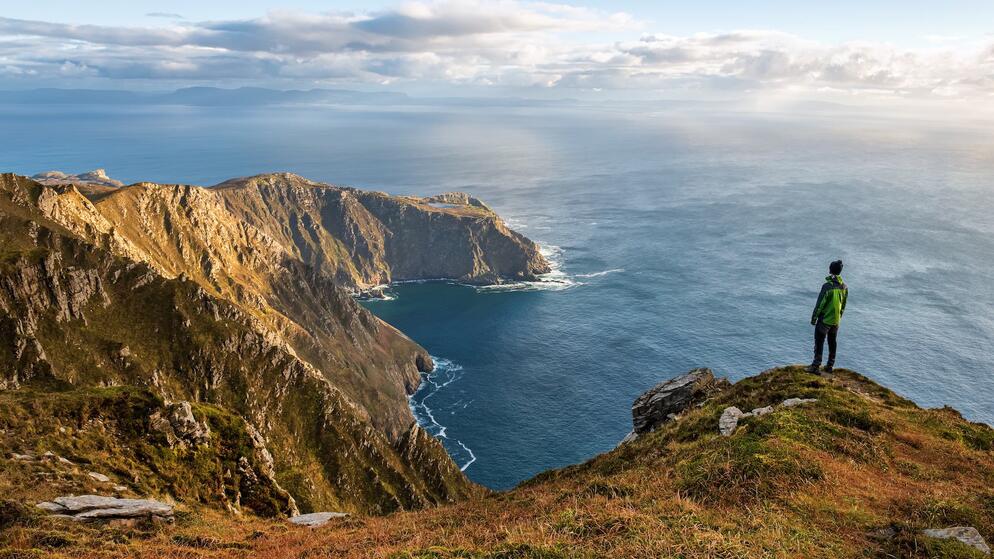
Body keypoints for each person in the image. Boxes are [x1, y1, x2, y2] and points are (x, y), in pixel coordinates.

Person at [807, 260, 848, 374]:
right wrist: (839, 317)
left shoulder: (827, 286)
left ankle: (815, 366)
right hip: (836, 320)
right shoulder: (844, 287)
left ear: (830, 270)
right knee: (832, 342)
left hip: (825, 319)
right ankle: (830, 366)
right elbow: (843, 304)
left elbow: (820, 304)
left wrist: (814, 318)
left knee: (819, 342)